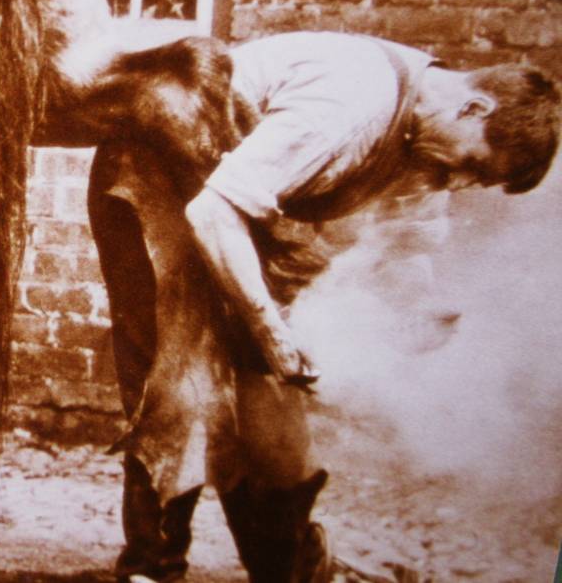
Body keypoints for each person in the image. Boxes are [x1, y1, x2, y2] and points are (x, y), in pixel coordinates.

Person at [87, 31, 560, 583]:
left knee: (267, 398)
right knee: (181, 377)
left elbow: (411, 238)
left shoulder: (431, 130)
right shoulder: (350, 107)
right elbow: (214, 211)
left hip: (229, 202)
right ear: (474, 106)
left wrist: (416, 310)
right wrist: (270, 328)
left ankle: (287, 569)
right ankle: (152, 569)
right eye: (472, 164)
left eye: (476, 180)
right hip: (155, 178)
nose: (458, 180)